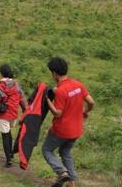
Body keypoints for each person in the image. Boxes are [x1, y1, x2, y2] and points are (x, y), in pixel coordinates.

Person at [42, 57, 95, 187]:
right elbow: (91, 102)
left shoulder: (61, 91)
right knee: (65, 152)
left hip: (61, 130)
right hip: (76, 130)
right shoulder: (78, 85)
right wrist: (86, 112)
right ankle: (71, 183)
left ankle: (62, 172)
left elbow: (57, 113)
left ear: (54, 73)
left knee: (47, 150)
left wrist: (47, 100)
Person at [0, 64, 27, 167]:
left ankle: (8, 160)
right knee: (8, 133)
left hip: (4, 114)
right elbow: (22, 99)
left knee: (5, 136)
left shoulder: (1, 86)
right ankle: (11, 153)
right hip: (14, 114)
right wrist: (25, 111)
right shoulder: (16, 85)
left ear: (1, 73)